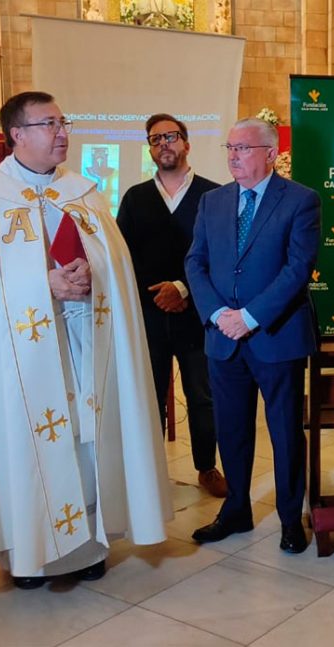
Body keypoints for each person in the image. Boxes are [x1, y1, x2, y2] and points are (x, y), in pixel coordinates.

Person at [0, 91, 173, 589]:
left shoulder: (82, 193)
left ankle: (86, 548)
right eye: (49, 124)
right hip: (19, 354)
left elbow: (116, 264)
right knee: (26, 442)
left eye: (63, 122)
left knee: (84, 440)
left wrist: (92, 272)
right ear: (17, 135)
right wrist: (43, 284)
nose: (62, 132)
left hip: (82, 338)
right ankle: (30, 553)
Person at [185, 117, 320, 554]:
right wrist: (219, 313)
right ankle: (237, 510)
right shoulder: (212, 201)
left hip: (275, 336)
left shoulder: (301, 200)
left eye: (242, 148)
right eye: (229, 148)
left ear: (269, 152)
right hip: (223, 336)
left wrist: (252, 316)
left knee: (283, 430)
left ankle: (289, 518)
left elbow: (298, 269)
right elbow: (195, 263)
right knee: (232, 429)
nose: (233, 156)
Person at [117, 113, 227, 498]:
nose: (163, 144)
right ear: (150, 149)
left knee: (203, 395)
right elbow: (124, 256)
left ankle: (206, 467)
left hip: (198, 313)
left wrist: (183, 289)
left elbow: (222, 256)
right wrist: (158, 295)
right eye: (155, 139)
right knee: (148, 394)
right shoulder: (135, 198)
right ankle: (149, 472)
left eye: (171, 136)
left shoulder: (214, 196)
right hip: (149, 313)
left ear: (186, 143)